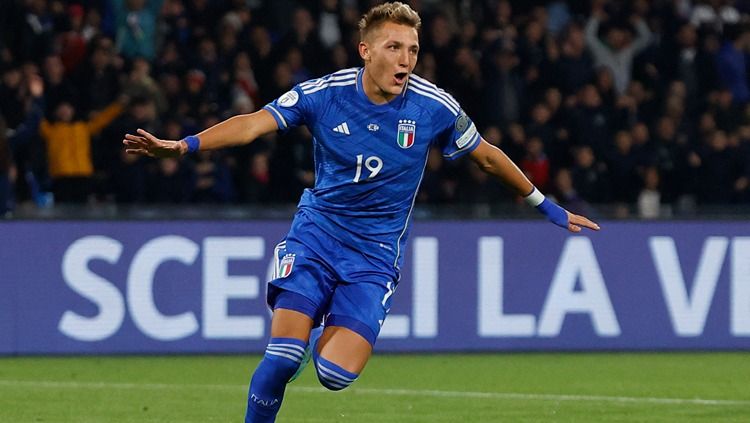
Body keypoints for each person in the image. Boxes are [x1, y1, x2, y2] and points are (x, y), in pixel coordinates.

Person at [123, 3, 600, 422]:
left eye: (413, 50)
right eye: (394, 47)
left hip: (373, 258)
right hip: (315, 237)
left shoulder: (434, 106)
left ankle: (319, 328)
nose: (406, 60)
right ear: (365, 51)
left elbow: (488, 156)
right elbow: (252, 125)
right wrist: (184, 146)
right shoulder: (322, 94)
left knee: (334, 374)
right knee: (283, 355)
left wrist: (547, 206)